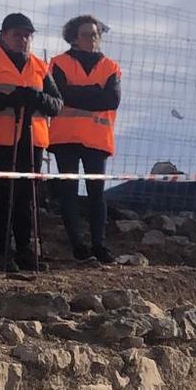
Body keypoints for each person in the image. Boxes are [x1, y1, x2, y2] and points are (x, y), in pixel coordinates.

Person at [0, 13, 62, 273]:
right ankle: (2, 249)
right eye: (17, 34)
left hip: (32, 141)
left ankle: (26, 249)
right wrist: (7, 99)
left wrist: (37, 99)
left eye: (27, 35)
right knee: (1, 196)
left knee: (26, 198)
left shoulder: (40, 66)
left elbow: (57, 104)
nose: (23, 39)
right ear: (4, 35)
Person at [48, 15, 121, 263]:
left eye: (96, 34)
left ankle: (99, 245)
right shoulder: (58, 63)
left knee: (96, 194)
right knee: (68, 193)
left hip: (97, 140)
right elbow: (59, 93)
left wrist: (75, 95)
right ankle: (78, 246)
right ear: (74, 38)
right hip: (65, 138)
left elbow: (111, 100)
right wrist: (93, 94)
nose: (93, 38)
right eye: (87, 34)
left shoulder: (111, 66)